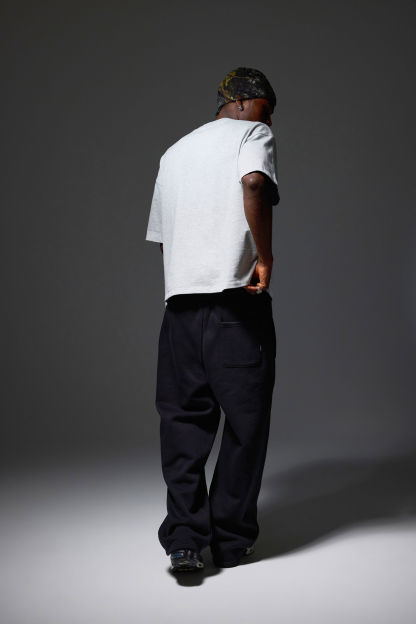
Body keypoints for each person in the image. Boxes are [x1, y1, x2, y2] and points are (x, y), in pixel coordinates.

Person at [145, 67, 280, 573]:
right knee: (245, 425)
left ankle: (184, 540)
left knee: (183, 424)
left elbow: (164, 236)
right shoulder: (252, 134)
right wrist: (264, 256)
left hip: (180, 309)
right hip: (235, 305)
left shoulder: (174, 153)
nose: (270, 121)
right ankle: (229, 539)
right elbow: (254, 182)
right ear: (242, 101)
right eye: (267, 108)